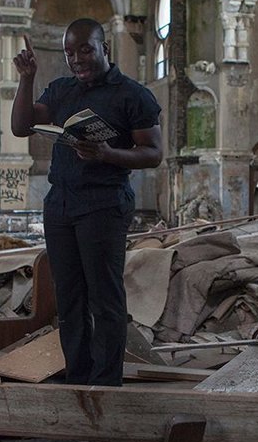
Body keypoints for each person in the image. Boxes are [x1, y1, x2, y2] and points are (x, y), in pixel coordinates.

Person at [11, 19, 163, 386]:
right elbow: (21, 127)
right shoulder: (61, 90)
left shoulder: (132, 94)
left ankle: (106, 383)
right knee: (70, 298)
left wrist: (108, 153)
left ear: (103, 47)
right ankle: (78, 379)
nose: (76, 59)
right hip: (61, 203)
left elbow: (154, 153)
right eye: (69, 52)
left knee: (104, 297)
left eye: (84, 49)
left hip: (104, 203)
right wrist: (27, 78)